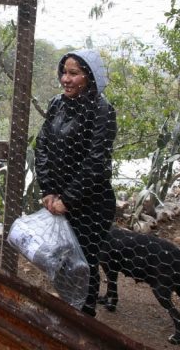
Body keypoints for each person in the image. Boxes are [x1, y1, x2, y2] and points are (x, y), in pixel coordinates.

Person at [34, 49, 117, 316]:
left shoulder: (102, 110)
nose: (65, 79)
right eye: (64, 72)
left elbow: (96, 161)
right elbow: (42, 145)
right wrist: (48, 190)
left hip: (91, 204)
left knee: (84, 264)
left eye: (74, 73)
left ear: (89, 77)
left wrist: (68, 199)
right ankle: (68, 314)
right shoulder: (57, 104)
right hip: (58, 200)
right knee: (62, 261)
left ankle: (84, 321)